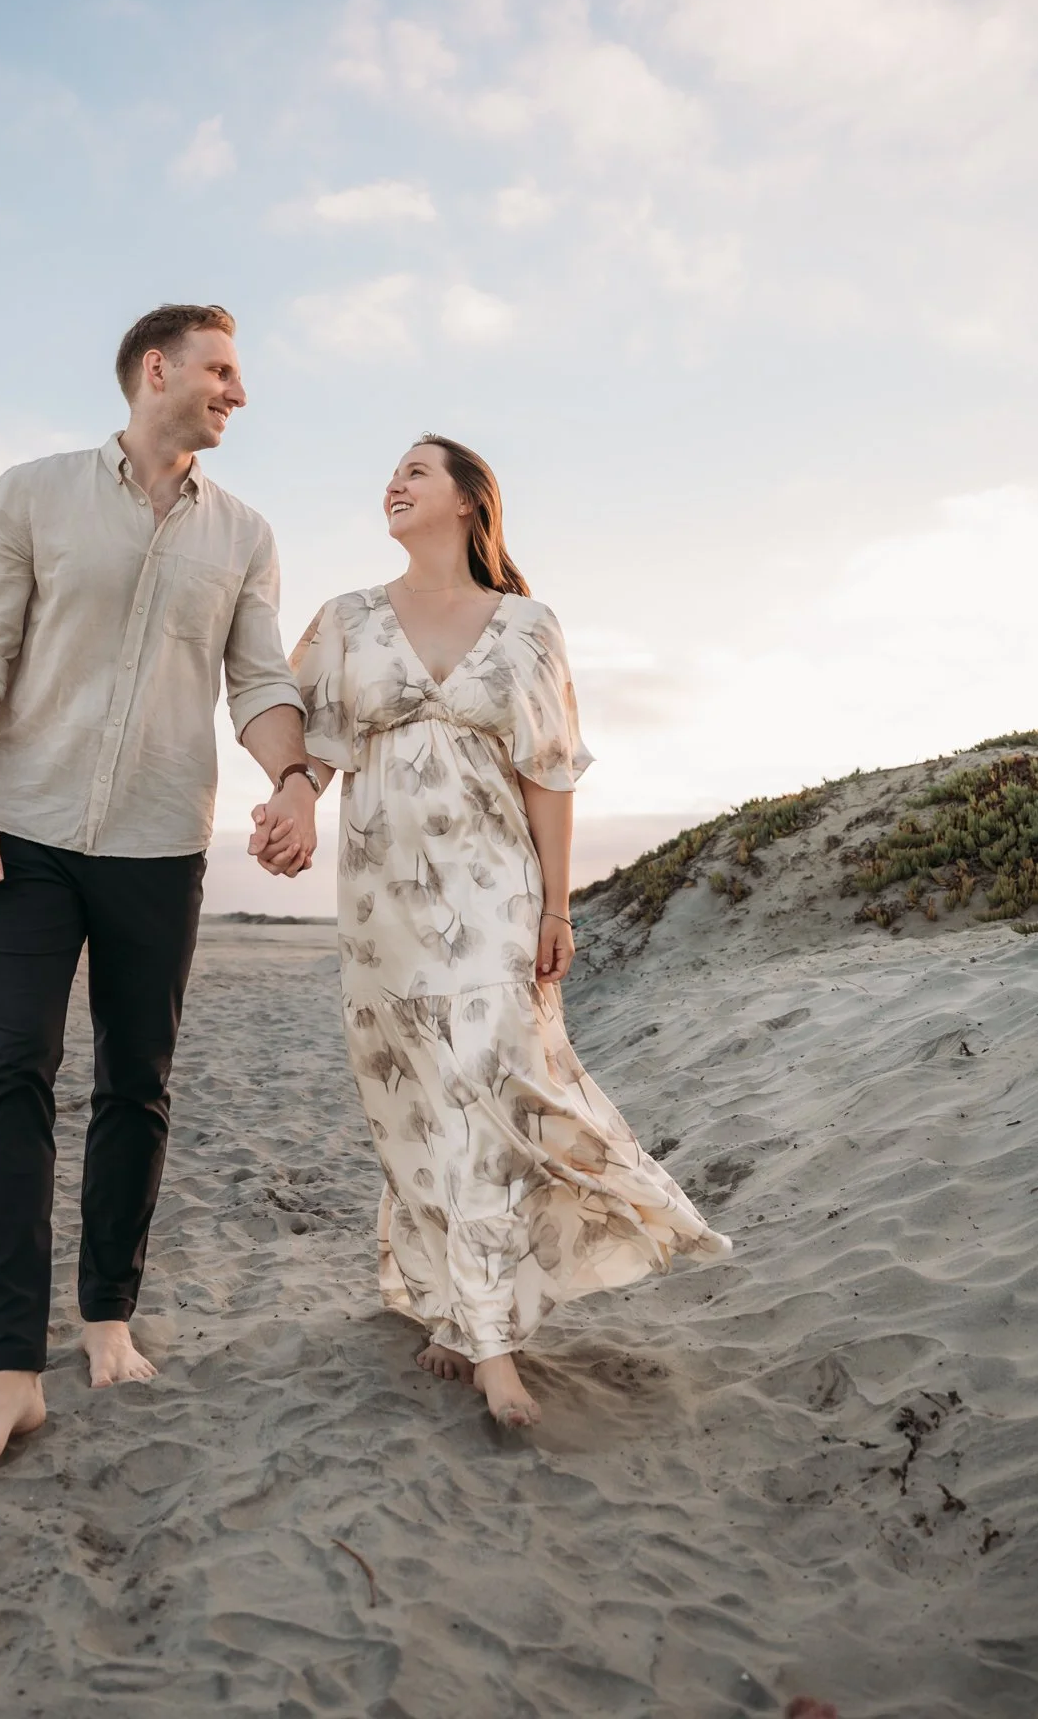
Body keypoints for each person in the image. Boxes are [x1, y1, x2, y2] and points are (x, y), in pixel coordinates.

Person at [250, 435, 732, 1428]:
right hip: (384, 904)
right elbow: (301, 730)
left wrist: (557, 905)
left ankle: (496, 1343)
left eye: (417, 470)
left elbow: (549, 776)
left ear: (472, 502)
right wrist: (293, 799)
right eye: (390, 470)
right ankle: (450, 1303)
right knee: (417, 1108)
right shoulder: (345, 620)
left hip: (492, 903)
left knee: (485, 1091)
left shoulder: (529, 627)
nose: (394, 481)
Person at [0, 304, 319, 1468]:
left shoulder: (244, 534)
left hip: (159, 841)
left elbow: (256, 681)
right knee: (12, 1076)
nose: (238, 392)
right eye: (223, 370)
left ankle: (105, 1316)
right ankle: (6, 1372)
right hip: (28, 833)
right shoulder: (30, 495)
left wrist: (293, 778)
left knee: (137, 1086)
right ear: (158, 369)